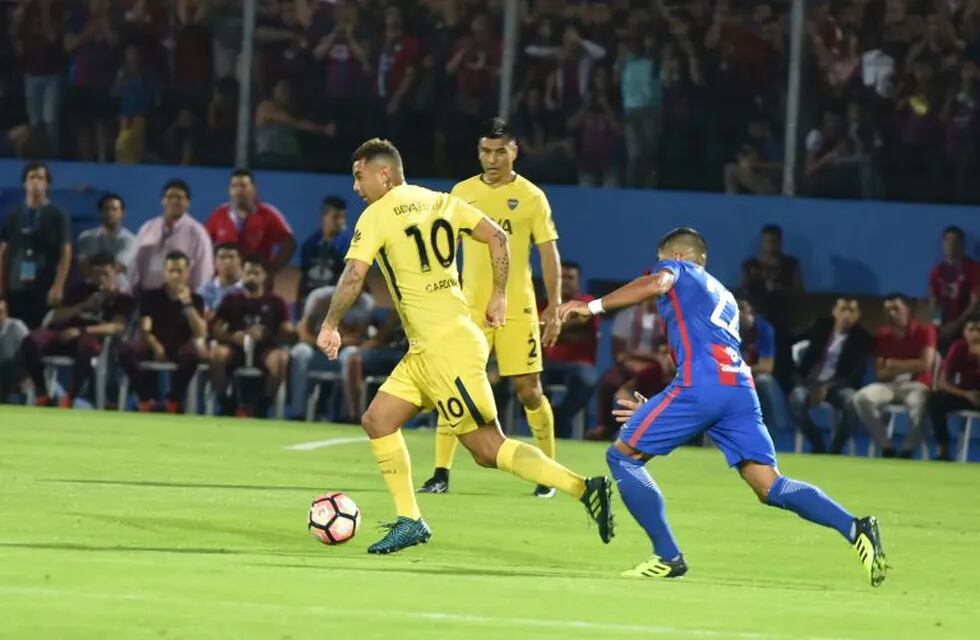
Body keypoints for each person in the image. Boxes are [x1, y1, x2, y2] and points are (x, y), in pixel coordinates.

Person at [315, 138, 612, 554]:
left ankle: (584, 488)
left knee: (488, 449)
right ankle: (410, 520)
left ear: (384, 173)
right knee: (378, 420)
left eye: (359, 176)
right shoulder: (441, 201)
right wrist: (498, 296)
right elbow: (498, 238)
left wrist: (331, 323)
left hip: (445, 349)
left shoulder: (376, 215)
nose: (356, 187)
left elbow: (352, 275)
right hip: (429, 347)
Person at [559, 227, 885, 586]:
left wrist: (590, 307)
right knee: (769, 486)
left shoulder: (677, 271)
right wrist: (662, 410)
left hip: (703, 385)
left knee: (623, 458)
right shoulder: (724, 295)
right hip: (738, 388)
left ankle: (667, 555)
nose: (656, 268)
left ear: (678, 256)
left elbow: (657, 285)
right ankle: (855, 527)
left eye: (662, 259)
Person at [419, 118, 564, 497]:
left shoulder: (532, 197)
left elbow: (549, 255)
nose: (492, 158)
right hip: (468, 309)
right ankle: (440, 473)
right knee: (455, 383)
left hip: (518, 308)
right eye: (486, 151)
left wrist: (555, 304)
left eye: (501, 151)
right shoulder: (460, 193)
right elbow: (442, 251)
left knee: (528, 390)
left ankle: (546, 473)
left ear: (515, 151)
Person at [21, 252, 133, 407]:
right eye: (96, 274)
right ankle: (42, 393)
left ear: (115, 271)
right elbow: (56, 315)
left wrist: (82, 331)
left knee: (88, 346)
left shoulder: (122, 298)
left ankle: (70, 397)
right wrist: (83, 305)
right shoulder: (80, 290)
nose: (101, 278)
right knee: (31, 340)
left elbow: (116, 327)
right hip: (62, 334)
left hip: (88, 337)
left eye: (105, 274)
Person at [119, 251, 207, 413]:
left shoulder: (196, 300)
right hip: (154, 341)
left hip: (180, 344)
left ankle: (173, 400)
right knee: (126, 351)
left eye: (179, 271)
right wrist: (155, 345)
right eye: (171, 271)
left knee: (193, 355)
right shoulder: (151, 297)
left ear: (187, 273)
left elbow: (199, 332)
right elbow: (145, 327)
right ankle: (146, 398)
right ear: (164, 273)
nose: (175, 275)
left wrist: (187, 304)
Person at [851, 294, 937, 458]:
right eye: (888, 309)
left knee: (919, 403)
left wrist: (893, 364)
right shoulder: (882, 335)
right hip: (888, 385)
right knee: (861, 398)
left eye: (896, 308)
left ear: (907, 309)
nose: (892, 313)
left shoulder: (925, 331)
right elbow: (880, 373)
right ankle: (886, 447)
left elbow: (925, 364)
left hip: (916, 384)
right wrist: (909, 365)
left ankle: (907, 450)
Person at [210, 255, 293, 418]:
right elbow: (215, 328)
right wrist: (232, 336)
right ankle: (226, 403)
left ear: (264, 276)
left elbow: (288, 331)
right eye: (248, 273)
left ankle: (262, 406)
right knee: (217, 354)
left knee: (280, 359)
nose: (251, 277)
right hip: (236, 348)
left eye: (256, 273)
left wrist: (266, 334)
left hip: (265, 349)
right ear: (242, 274)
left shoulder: (276, 302)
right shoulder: (231, 299)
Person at [789, 297, 874, 454]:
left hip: (839, 386)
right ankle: (817, 442)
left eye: (852, 311)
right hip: (810, 383)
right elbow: (790, 339)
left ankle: (836, 448)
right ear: (834, 311)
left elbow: (854, 375)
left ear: (858, 315)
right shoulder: (820, 326)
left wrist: (826, 387)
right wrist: (797, 376)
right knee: (796, 399)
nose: (847, 315)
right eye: (843, 310)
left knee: (853, 402)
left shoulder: (862, 338)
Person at [0, 162, 72, 329]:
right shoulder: (13, 215)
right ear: (24, 183)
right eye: (32, 177)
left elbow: (66, 251)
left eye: (41, 178)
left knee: (40, 333)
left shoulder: (58, 215)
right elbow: (4, 251)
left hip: (44, 286)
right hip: (16, 285)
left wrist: (58, 285)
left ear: (47, 184)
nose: (36, 182)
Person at [288, 283, 372, 421]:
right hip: (315, 348)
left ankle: (349, 415)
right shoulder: (319, 297)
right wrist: (322, 342)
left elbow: (358, 339)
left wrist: (335, 315)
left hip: (342, 349)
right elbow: (303, 335)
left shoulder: (365, 302)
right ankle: (297, 413)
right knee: (300, 352)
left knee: (352, 354)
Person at [588, 298, 663, 441]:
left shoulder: (668, 319)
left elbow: (667, 352)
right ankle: (605, 427)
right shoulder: (625, 316)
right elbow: (619, 352)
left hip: (656, 368)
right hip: (628, 364)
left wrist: (652, 362)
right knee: (608, 383)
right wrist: (633, 363)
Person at [204, 170, 296, 281]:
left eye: (243, 186)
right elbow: (204, 242)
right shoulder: (219, 214)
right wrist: (213, 268)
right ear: (229, 190)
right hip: (227, 283)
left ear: (254, 188)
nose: (238, 191)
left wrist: (272, 269)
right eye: (234, 186)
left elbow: (289, 243)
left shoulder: (268, 214)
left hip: (256, 283)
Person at [542, 261, 600, 438]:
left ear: (579, 281)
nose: (565, 281)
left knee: (587, 379)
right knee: (526, 377)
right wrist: (569, 328)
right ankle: (543, 419)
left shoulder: (587, 303)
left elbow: (583, 319)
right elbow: (533, 329)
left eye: (570, 277)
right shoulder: (543, 303)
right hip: (546, 363)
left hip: (578, 365)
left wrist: (550, 327)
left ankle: (561, 418)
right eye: (561, 277)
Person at [129, 179, 213, 294]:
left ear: (188, 202)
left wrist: (198, 300)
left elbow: (204, 270)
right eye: (169, 197)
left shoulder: (197, 233)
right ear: (162, 201)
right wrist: (132, 289)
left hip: (179, 298)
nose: (174, 201)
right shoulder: (147, 228)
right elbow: (135, 263)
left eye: (179, 197)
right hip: (147, 295)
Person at [927, 314, 980, 461]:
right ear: (964, 332)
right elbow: (942, 383)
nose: (975, 334)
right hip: (966, 394)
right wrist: (965, 394)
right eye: (971, 329)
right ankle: (943, 448)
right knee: (935, 399)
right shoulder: (958, 347)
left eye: (979, 330)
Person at [928, 226, 979, 353]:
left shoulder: (973, 269)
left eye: (954, 241)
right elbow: (934, 303)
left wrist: (956, 325)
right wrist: (937, 326)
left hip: (966, 324)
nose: (950, 245)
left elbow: (974, 303)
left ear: (962, 245)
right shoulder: (937, 271)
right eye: (947, 241)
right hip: (944, 326)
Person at [737, 296, 782, 432]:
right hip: (734, 376)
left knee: (764, 381)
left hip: (756, 377)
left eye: (743, 309)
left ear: (752, 312)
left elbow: (766, 367)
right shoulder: (727, 327)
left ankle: (770, 432)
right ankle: (711, 444)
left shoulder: (764, 329)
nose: (739, 314)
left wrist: (740, 370)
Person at [298, 196, 351, 307]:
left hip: (336, 301)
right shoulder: (309, 245)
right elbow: (304, 278)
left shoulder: (349, 245)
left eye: (343, 217)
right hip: (311, 301)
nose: (341, 221)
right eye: (336, 217)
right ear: (324, 217)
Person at [76, 193, 137, 290]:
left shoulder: (130, 240)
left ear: (122, 213)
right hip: (90, 289)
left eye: (114, 209)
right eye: (106, 209)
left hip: (120, 291)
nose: (110, 213)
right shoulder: (86, 237)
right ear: (99, 212)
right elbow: (83, 268)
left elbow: (117, 267)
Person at [197, 242, 244, 320]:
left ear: (240, 260)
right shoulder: (204, 290)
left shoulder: (248, 288)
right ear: (215, 262)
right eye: (222, 257)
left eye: (231, 257)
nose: (227, 262)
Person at [0, 299, 29, 401]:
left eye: (1, 312)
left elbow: (30, 350)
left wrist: (27, 376)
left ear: (6, 312)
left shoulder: (16, 326)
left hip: (15, 376)